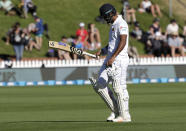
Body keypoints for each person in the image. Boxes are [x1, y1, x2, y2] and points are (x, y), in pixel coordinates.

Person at [89, 3, 131, 122]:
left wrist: (114, 57)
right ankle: (116, 111)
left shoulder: (121, 23)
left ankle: (125, 115)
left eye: (105, 17)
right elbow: (113, 43)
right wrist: (102, 51)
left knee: (120, 87)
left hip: (119, 59)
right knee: (100, 85)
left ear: (110, 14)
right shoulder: (113, 25)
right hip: (110, 58)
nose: (105, 19)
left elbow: (123, 41)